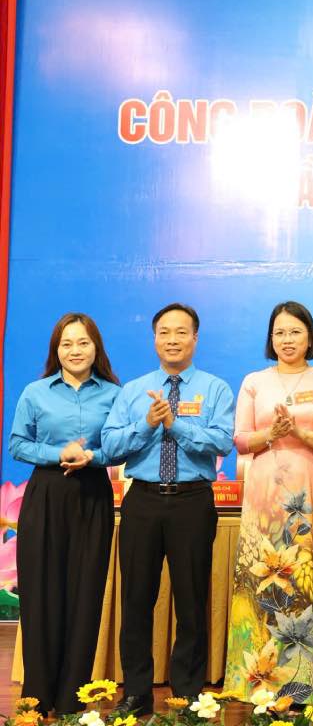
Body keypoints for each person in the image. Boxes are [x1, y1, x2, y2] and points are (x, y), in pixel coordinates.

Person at [102, 303, 234, 715]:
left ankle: (188, 693)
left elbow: (221, 442)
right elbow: (110, 446)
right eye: (164, 332)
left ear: (195, 338)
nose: (172, 339)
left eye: (181, 332)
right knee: (137, 599)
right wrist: (147, 423)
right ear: (154, 339)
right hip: (141, 499)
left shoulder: (215, 389)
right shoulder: (134, 390)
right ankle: (137, 693)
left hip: (192, 502)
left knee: (192, 600)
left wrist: (175, 423)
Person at [223, 301, 313, 704]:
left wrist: (300, 432)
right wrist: (272, 434)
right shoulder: (254, 381)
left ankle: (302, 686)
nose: (286, 339)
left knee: (302, 585)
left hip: (307, 501)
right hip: (263, 501)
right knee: (261, 583)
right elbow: (241, 439)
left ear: (309, 336)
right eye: (279, 332)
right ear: (270, 339)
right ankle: (258, 686)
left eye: (294, 331)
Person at [8, 313, 121, 715]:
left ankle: (75, 698)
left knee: (85, 593)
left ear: (96, 348)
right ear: (57, 350)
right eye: (67, 344)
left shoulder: (112, 394)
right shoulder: (36, 392)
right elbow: (18, 444)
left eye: (83, 343)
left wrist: (92, 456)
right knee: (41, 593)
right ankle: (37, 698)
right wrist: (58, 453)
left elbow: (121, 448)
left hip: (93, 495)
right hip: (47, 494)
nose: (75, 351)